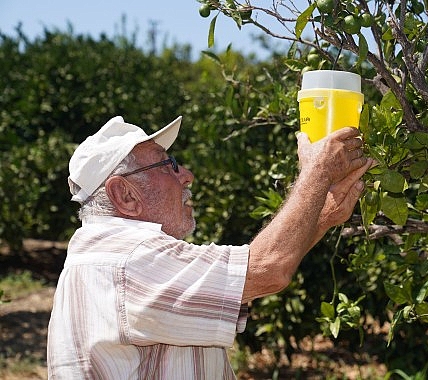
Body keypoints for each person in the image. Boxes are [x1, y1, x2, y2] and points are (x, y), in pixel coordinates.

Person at [47, 115, 373, 379]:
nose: (186, 174)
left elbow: (252, 277)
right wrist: (316, 171)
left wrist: (323, 216)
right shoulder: (130, 260)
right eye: (168, 164)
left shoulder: (107, 254)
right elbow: (266, 269)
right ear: (125, 195)